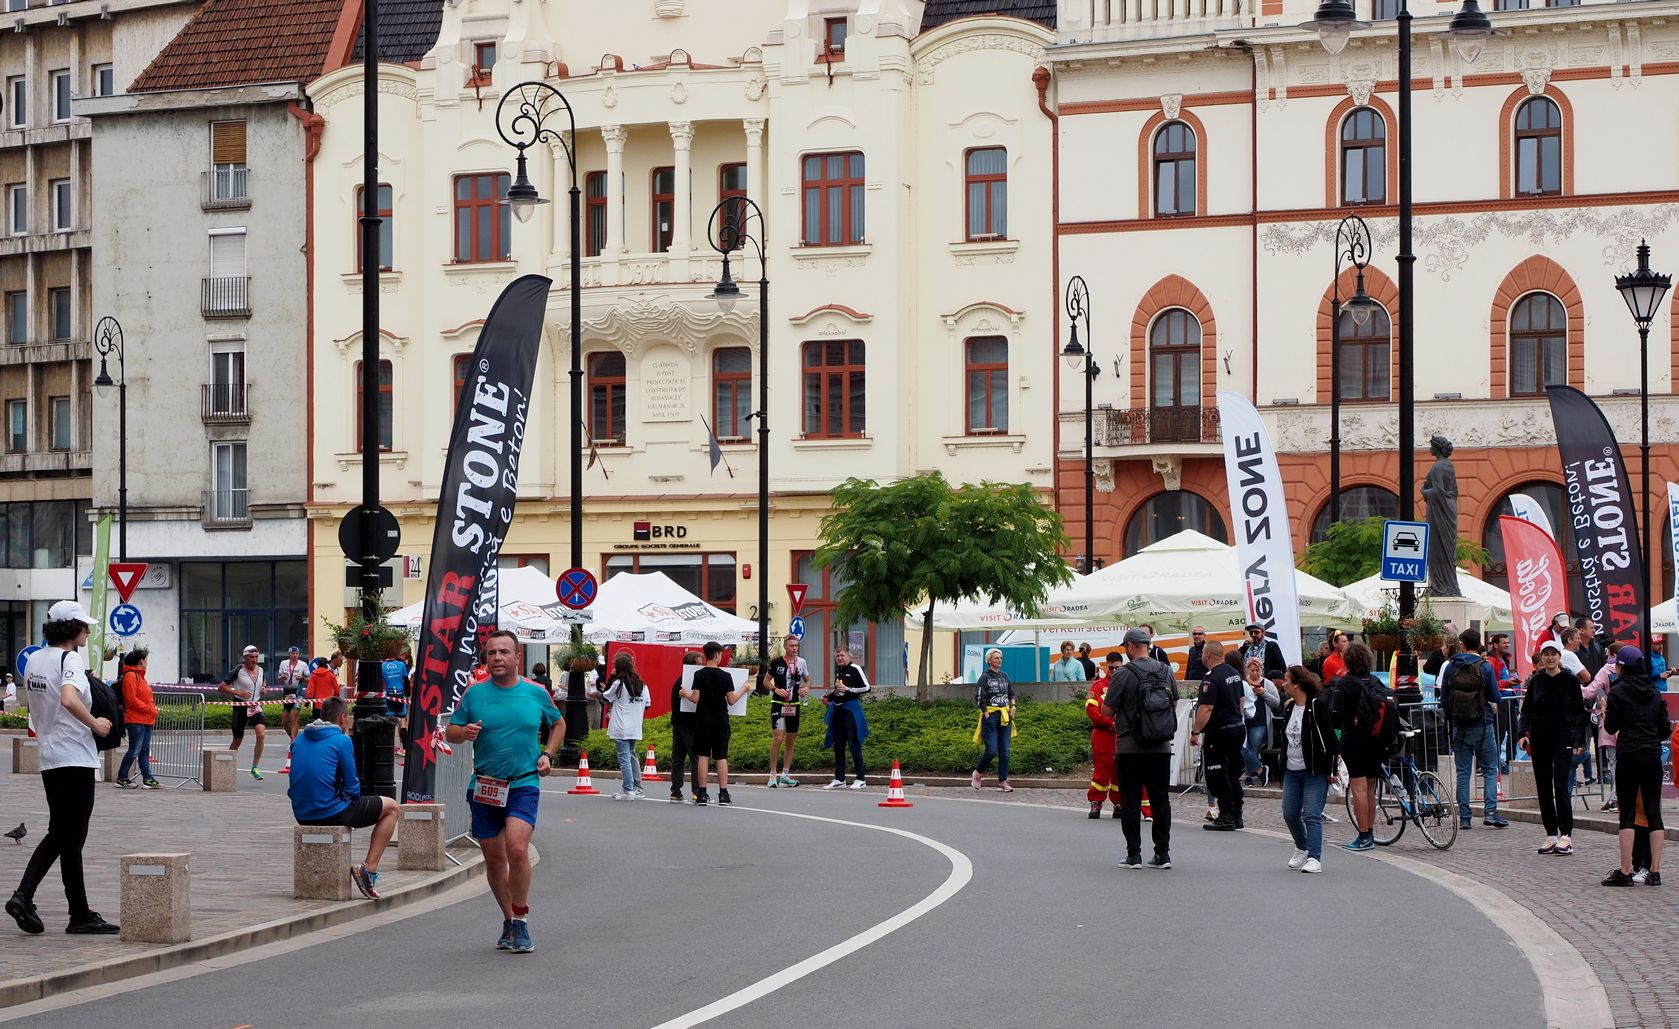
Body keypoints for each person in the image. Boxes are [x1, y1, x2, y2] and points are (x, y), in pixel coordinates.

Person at [446, 630, 564, 954]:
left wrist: (548, 754)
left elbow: (558, 724)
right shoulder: (474, 694)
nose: (497, 658)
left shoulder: (536, 693)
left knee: (516, 848)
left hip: (523, 781)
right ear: (485, 658)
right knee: (495, 860)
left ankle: (522, 920)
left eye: (504, 652)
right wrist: (464, 732)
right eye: (491, 653)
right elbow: (451, 731)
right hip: (485, 785)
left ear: (517, 657)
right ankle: (508, 918)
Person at [6, 600, 119, 936]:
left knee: (69, 836)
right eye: (83, 625)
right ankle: (23, 895)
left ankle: (79, 913)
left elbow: (45, 700)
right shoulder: (70, 658)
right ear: (71, 628)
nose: (87, 629)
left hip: (50, 757)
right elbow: (69, 699)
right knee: (66, 834)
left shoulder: (36, 660)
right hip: (75, 756)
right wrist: (96, 724)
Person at [288, 697, 399, 899]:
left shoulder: (300, 739)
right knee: (391, 807)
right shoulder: (341, 740)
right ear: (343, 718)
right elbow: (352, 785)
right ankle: (369, 871)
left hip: (302, 813)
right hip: (331, 811)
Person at [1101, 628, 1175, 869]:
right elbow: (1173, 702)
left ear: (1132, 646)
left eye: (1125, 647)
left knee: (1131, 800)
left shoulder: (1123, 673)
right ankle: (1162, 854)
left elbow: (1107, 710)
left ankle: (1134, 855)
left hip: (1130, 746)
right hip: (1161, 746)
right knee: (1160, 800)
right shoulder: (1166, 670)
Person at [1602, 647, 1670, 887]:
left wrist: (1605, 712)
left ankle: (1626, 870)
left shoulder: (1618, 691)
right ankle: (1655, 871)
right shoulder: (1654, 692)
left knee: (1627, 814)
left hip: (1629, 755)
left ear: (1622, 667)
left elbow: (1611, 727)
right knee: (1654, 814)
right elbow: (1664, 730)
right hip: (1651, 755)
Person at [1259, 665, 1338, 873]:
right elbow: (1286, 741)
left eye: (1286, 680)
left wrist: (1330, 770)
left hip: (1313, 770)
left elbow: (1329, 740)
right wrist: (1281, 770)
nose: (1283, 683)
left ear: (1297, 684)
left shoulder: (1316, 706)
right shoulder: (1289, 707)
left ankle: (1314, 857)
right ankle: (1301, 846)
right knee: (1289, 813)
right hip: (1292, 770)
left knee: (1311, 814)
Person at [1518, 639, 1585, 857]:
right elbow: (1526, 710)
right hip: (1540, 739)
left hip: (1563, 738)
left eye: (1553, 654)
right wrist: (1523, 733)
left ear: (1559, 657)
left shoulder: (1570, 680)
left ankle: (1566, 834)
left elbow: (1579, 712)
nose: (1549, 658)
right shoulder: (1537, 681)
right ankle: (1551, 834)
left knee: (1560, 785)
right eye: (1545, 654)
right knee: (1543, 788)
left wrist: (1579, 740)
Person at [1444, 629, 1509, 830]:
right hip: (1483, 723)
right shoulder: (1485, 666)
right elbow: (1496, 697)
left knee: (1463, 772)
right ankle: (1490, 813)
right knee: (1490, 769)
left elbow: (1444, 699)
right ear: (1479, 643)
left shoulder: (1451, 666)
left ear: (1462, 644)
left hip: (1460, 725)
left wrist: (1452, 719)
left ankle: (1465, 817)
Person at [680, 641, 753, 805]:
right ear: (718, 654)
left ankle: (702, 794)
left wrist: (685, 693)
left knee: (703, 756)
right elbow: (732, 700)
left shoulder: (699, 675)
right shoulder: (725, 676)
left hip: (702, 719)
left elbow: (695, 698)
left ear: (706, 655)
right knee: (721, 756)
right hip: (720, 720)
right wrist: (744, 688)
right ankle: (723, 794)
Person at [1332, 642, 1387, 852]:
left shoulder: (1345, 684)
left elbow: (1336, 717)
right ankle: (1370, 832)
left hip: (1354, 740)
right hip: (1376, 740)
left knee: (1358, 789)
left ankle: (1363, 836)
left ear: (1347, 661)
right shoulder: (1375, 681)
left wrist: (1337, 741)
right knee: (1370, 789)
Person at [1192, 638, 1247, 832]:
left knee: (1218, 773)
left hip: (1219, 731)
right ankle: (1237, 815)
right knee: (1233, 773)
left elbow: (1206, 708)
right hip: (1237, 727)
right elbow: (1241, 701)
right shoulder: (1234, 673)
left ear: (1206, 655)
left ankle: (1226, 816)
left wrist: (1195, 731)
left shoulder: (1211, 678)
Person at [597, 652, 648, 800]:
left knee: (624, 757)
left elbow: (605, 697)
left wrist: (612, 677)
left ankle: (628, 790)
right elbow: (648, 704)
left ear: (618, 667)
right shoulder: (642, 685)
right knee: (632, 755)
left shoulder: (618, 683)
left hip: (620, 726)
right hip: (635, 725)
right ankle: (637, 788)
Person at [763, 638, 811, 787]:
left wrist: (806, 688)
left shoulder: (801, 662)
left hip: (794, 704)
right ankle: (772, 774)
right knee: (778, 738)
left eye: (796, 645)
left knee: (790, 740)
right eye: (791, 645)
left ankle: (785, 774)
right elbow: (766, 681)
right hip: (778, 703)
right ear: (785, 647)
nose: (794, 648)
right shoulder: (776, 662)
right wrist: (775, 689)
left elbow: (808, 679)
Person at [823, 646, 872, 790]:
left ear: (849, 656)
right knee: (838, 746)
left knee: (854, 744)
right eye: (837, 656)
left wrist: (849, 690)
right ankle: (839, 778)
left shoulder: (855, 668)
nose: (839, 658)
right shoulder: (839, 671)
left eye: (842, 655)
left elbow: (867, 688)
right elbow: (838, 691)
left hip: (851, 711)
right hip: (838, 711)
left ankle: (860, 778)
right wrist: (828, 697)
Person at [218, 645, 268, 780]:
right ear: (245, 658)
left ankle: (255, 768)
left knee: (261, 734)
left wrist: (264, 688)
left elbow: (263, 681)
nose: (254, 660)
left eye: (256, 657)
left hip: (255, 706)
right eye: (251, 657)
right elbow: (221, 687)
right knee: (237, 740)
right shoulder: (238, 670)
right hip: (240, 707)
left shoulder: (261, 670)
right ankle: (225, 767)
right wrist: (239, 692)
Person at [970, 648, 1016, 792]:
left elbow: (1011, 692)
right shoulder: (985, 677)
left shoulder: (1004, 676)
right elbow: (979, 697)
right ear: (989, 660)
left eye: (1000, 658)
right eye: (996, 658)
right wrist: (985, 713)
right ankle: (978, 773)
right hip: (991, 716)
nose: (999, 660)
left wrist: (1013, 705)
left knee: (1005, 751)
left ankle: (1003, 781)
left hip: (1005, 716)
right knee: (991, 750)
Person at [113, 649, 159, 790]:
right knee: (134, 750)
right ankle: (122, 777)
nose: (147, 663)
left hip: (145, 719)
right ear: (140, 661)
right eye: (146, 660)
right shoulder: (132, 676)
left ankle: (148, 778)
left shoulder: (140, 676)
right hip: (136, 719)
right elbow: (131, 699)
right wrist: (149, 709)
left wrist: (150, 710)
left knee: (144, 750)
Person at [1085, 653, 1119, 819]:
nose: (1113, 670)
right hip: (1103, 735)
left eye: (1117, 667)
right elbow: (1091, 710)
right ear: (1106, 666)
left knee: (1120, 771)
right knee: (1102, 771)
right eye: (1111, 667)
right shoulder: (1098, 686)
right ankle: (1096, 802)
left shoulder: (1126, 684)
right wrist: (1109, 723)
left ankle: (1119, 803)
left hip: (1121, 736)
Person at [668, 651, 701, 802]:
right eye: (699, 664)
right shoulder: (687, 682)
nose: (701, 667)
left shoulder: (678, 681)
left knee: (678, 757)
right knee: (695, 757)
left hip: (678, 723)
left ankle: (675, 790)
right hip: (689, 724)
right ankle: (696, 791)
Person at [274, 645, 310, 775]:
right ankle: (294, 738)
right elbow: (278, 680)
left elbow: (309, 680)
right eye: (293, 653)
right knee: (284, 721)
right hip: (286, 694)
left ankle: (293, 741)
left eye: (297, 653)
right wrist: (281, 678)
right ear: (289, 654)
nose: (295, 655)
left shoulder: (303, 665)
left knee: (294, 717)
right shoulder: (283, 664)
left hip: (298, 694)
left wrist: (303, 679)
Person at [1240, 657, 1270, 787]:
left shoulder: (1267, 683)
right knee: (1245, 749)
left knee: (1253, 749)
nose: (1255, 673)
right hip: (1246, 720)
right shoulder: (1244, 683)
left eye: (1257, 670)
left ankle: (1248, 777)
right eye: (1252, 670)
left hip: (1259, 720)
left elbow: (1276, 701)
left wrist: (1264, 693)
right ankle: (1259, 770)